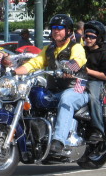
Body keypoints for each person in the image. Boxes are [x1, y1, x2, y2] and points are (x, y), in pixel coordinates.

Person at [14, 14, 87, 153]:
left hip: (77, 88)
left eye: (60, 28)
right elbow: (34, 63)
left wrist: (69, 68)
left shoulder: (75, 47)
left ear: (69, 31)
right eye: (54, 28)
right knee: (33, 95)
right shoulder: (49, 49)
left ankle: (58, 140)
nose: (56, 30)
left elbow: (78, 60)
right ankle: (33, 136)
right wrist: (13, 73)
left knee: (66, 99)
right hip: (54, 89)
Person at [83, 20, 106, 140]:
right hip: (80, 80)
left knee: (92, 98)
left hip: (95, 82)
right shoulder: (82, 50)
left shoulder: (104, 54)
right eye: (86, 36)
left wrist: (88, 71)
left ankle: (98, 130)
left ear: (99, 38)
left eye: (92, 36)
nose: (88, 39)